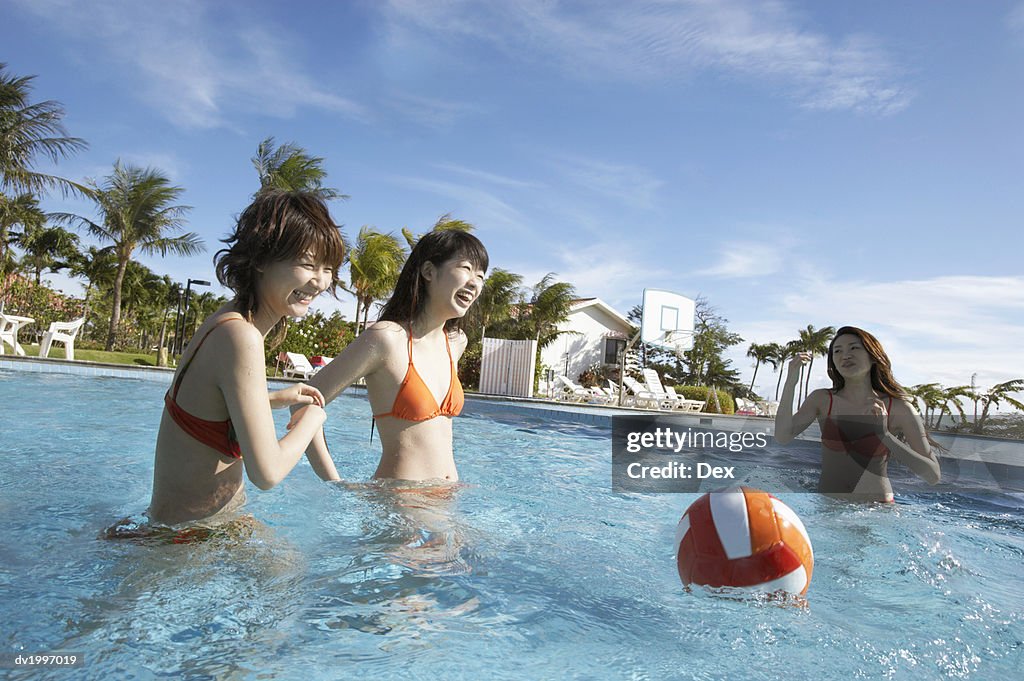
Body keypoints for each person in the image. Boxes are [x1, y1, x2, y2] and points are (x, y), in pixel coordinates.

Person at [108, 190, 345, 536]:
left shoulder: (227, 320)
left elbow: (210, 409)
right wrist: (313, 419)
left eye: (328, 269)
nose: (321, 281)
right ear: (262, 258)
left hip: (198, 528)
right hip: (185, 539)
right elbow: (267, 473)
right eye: (308, 265)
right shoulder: (242, 337)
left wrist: (278, 398)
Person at [299, 230, 488, 482]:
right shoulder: (386, 338)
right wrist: (335, 482)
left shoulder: (455, 343)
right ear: (429, 271)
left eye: (480, 275)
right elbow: (303, 402)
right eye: (466, 268)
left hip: (448, 498)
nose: (475, 283)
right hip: (399, 504)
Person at [774, 326, 940, 502]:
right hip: (827, 507)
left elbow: (932, 475)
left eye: (854, 348)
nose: (845, 355)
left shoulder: (899, 408)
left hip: (876, 511)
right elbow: (782, 436)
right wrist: (790, 382)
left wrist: (884, 435)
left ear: (873, 356)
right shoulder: (822, 400)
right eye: (838, 351)